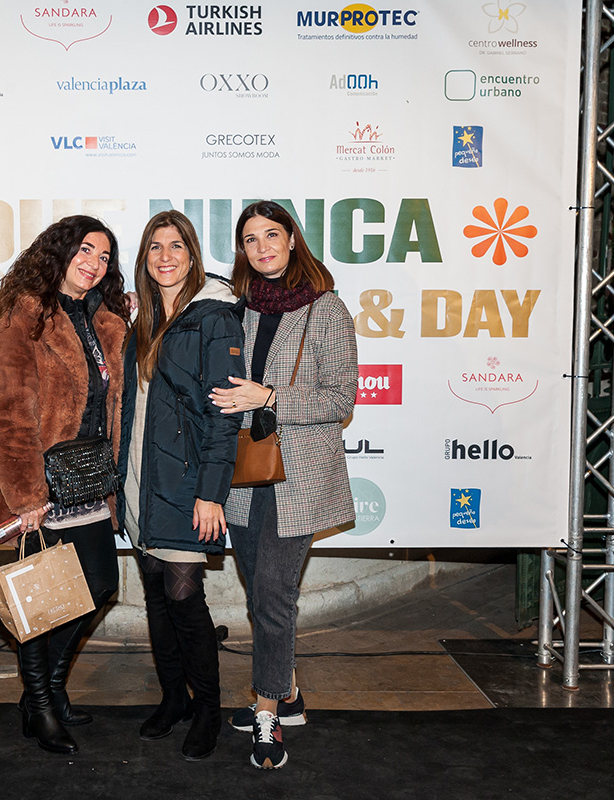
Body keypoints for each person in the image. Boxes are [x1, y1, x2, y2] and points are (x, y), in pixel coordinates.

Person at [210, 200, 360, 770]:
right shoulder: (237, 309)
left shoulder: (326, 309)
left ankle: (268, 714)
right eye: (250, 239)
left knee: (273, 597)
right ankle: (289, 693)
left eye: (272, 235)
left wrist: (269, 396)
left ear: (293, 239)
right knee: (261, 595)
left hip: (298, 479)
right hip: (244, 476)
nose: (262, 247)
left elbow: (340, 399)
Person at [0, 215, 129, 755]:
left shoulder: (104, 318)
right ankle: (40, 706)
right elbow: (9, 413)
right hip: (41, 484)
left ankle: (47, 692)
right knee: (42, 599)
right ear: (59, 252)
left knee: (100, 585)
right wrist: (27, 497)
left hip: (88, 479)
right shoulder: (24, 315)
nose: (94, 263)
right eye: (85, 250)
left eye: (104, 257)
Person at [118, 210, 244, 761]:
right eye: (154, 247)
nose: (165, 256)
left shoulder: (215, 318)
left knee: (184, 598)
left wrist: (212, 492)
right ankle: (174, 699)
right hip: (140, 478)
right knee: (155, 596)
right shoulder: (142, 319)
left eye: (176, 246)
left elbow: (224, 414)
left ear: (193, 255)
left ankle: (208, 708)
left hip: (188, 482)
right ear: (144, 259)